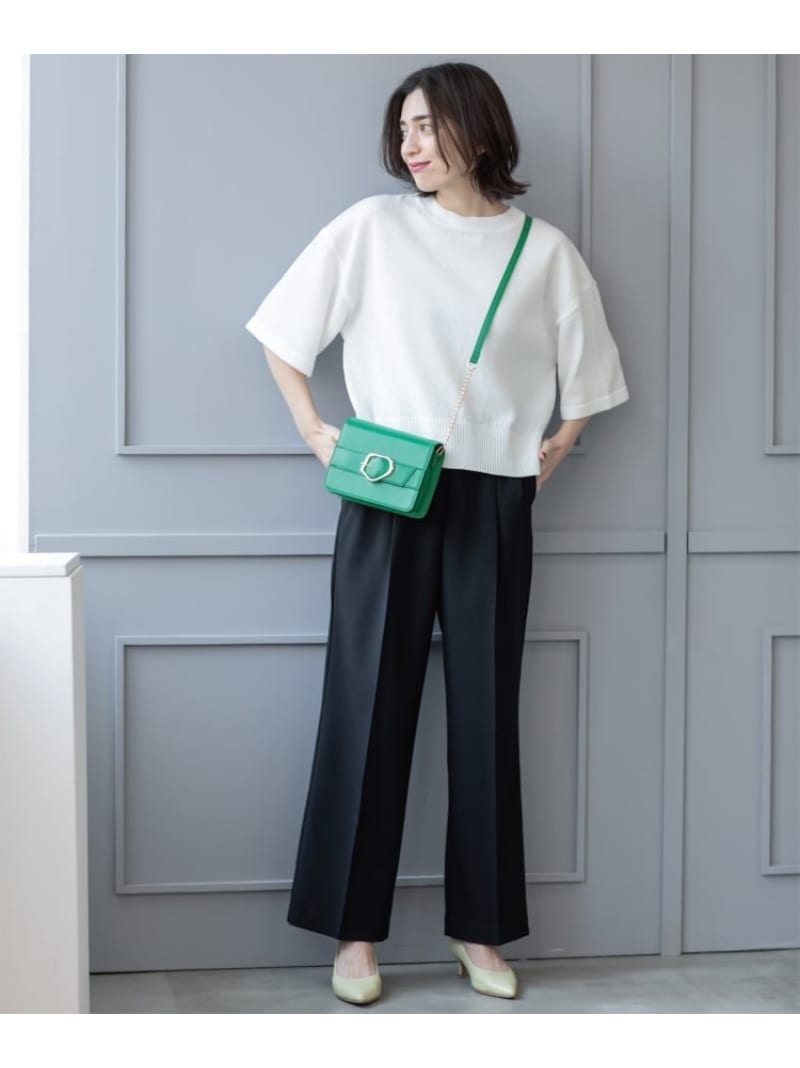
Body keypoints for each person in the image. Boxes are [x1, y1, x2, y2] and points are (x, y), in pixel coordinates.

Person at [245, 61, 630, 1006]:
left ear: (480, 132)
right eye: (404, 128)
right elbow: (282, 335)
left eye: (428, 126)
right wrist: (314, 430)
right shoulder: (372, 229)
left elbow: (591, 381)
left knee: (486, 714)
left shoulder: (544, 251)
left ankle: (479, 927)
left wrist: (551, 450)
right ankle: (354, 934)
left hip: (494, 498)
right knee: (366, 705)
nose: (410, 144)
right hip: (386, 489)